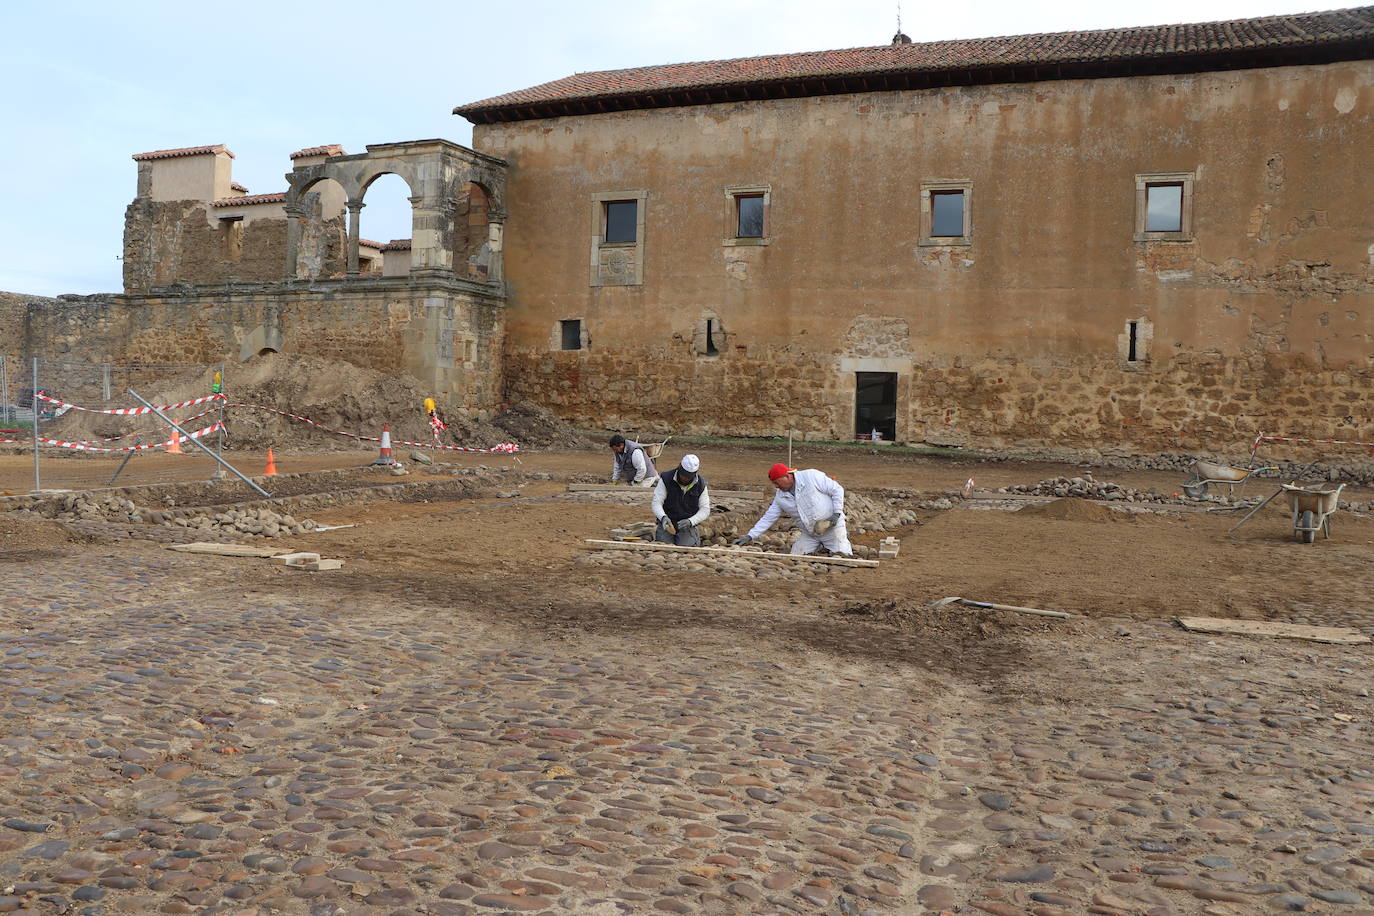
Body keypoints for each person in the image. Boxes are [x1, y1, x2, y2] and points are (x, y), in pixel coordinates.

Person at [733, 463, 852, 556]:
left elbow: (837, 489)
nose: (776, 486)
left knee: (842, 558)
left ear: (787, 476)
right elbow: (768, 518)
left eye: (777, 482)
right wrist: (750, 536)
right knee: (796, 557)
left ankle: (831, 546)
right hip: (810, 534)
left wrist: (836, 514)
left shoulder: (811, 476)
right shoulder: (780, 497)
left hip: (831, 529)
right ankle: (820, 547)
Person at [652, 454, 710, 547]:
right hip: (668, 522)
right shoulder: (666, 478)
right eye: (683, 474)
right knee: (663, 546)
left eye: (688, 476)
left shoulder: (701, 484)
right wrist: (663, 517)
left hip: (687, 523)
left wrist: (691, 521)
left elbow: (705, 510)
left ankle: (693, 535)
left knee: (685, 547)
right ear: (679, 467)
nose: (685, 478)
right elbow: (656, 502)